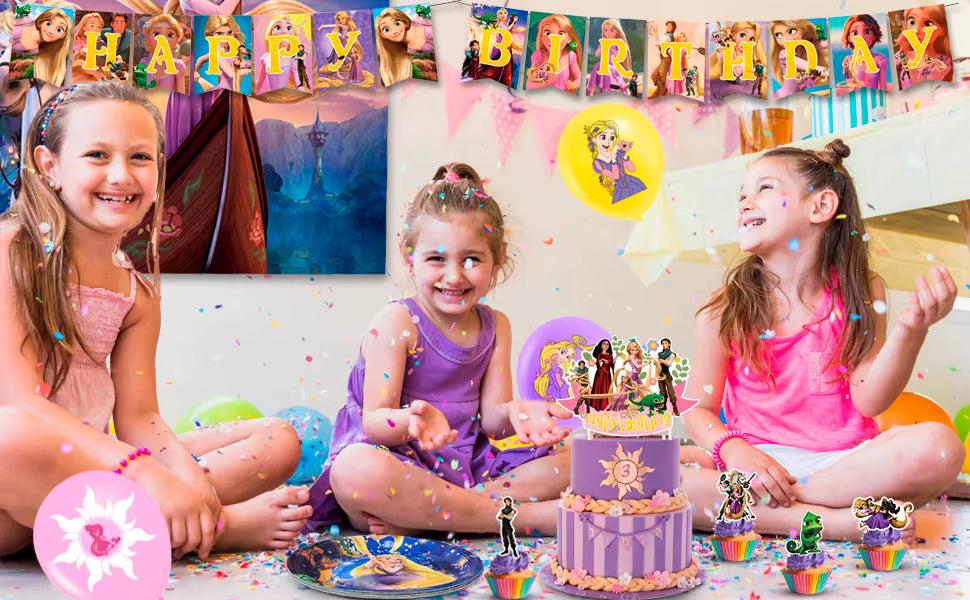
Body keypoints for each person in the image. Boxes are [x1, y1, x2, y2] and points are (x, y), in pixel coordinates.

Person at [0, 81, 312, 560]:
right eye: (98, 155)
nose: (121, 175)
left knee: (278, 438)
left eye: (141, 158)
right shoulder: (10, 252)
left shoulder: (136, 292)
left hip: (99, 466)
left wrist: (184, 478)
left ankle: (179, 515)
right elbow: (22, 403)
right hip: (18, 470)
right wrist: (144, 473)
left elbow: (139, 416)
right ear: (49, 167)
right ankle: (213, 527)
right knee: (9, 437)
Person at [679, 139, 963, 542]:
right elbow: (697, 410)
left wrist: (911, 331)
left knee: (940, 446)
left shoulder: (861, 290)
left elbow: (869, 399)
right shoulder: (723, 308)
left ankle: (794, 505)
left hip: (841, 468)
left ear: (820, 207)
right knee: (658, 478)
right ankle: (829, 522)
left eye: (764, 188)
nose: (744, 202)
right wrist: (734, 451)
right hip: (754, 461)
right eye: (742, 194)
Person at [303, 163, 571, 537]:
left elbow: (492, 422)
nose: (454, 275)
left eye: (472, 259)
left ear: (498, 260)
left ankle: (439, 515)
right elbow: (373, 422)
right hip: (400, 467)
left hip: (467, 474)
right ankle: (523, 519)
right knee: (354, 469)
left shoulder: (497, 327)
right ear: (408, 254)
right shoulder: (398, 322)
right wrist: (410, 421)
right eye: (436, 259)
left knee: (574, 459)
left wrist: (518, 413)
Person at [656, 338, 680, 416]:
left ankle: (675, 407)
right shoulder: (659, 354)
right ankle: (663, 406)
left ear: (669, 344)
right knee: (662, 392)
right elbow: (655, 363)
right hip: (660, 375)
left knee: (671, 392)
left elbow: (669, 364)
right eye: (662, 343)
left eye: (665, 343)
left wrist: (662, 361)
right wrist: (661, 361)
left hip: (666, 374)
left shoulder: (671, 354)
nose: (664, 344)